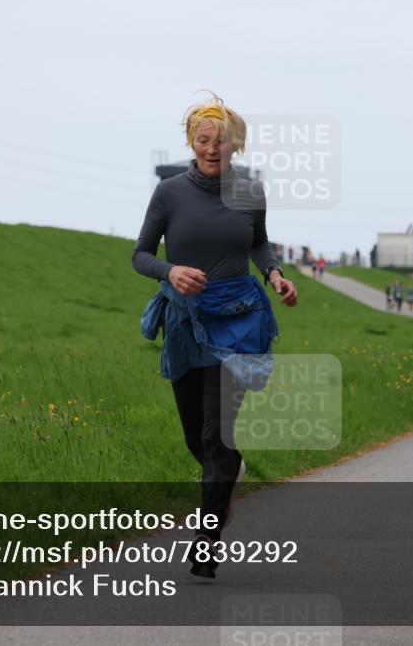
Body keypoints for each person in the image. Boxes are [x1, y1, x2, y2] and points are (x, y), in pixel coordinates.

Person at [132, 93, 297, 578]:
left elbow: (259, 242)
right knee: (196, 439)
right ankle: (226, 475)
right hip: (186, 322)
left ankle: (206, 542)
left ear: (235, 146)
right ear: (192, 142)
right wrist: (171, 270)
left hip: (239, 321)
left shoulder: (250, 192)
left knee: (216, 434)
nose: (211, 148)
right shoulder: (170, 193)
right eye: (203, 140)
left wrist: (274, 274)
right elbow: (141, 254)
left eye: (220, 142)